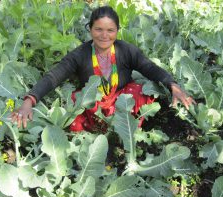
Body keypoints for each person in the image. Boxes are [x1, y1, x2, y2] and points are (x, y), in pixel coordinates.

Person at [11, 6, 195, 130]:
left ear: (117, 31)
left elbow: (149, 68)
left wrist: (173, 85)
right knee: (75, 104)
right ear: (90, 29)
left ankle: (125, 131)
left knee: (140, 90)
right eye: (98, 29)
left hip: (121, 105)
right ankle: (91, 137)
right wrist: (29, 101)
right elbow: (53, 77)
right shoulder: (80, 54)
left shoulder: (126, 50)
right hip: (93, 106)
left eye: (110, 30)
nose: (104, 35)